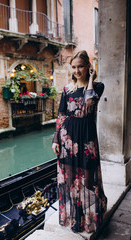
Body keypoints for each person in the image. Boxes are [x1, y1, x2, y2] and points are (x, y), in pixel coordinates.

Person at [52, 50, 107, 233]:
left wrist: (90, 78)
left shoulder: (97, 86)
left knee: (87, 181)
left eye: (80, 66)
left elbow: (89, 101)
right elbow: (61, 115)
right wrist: (56, 139)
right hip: (67, 138)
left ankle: (89, 219)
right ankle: (75, 218)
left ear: (88, 67)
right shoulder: (67, 89)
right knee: (70, 180)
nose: (77, 70)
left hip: (87, 138)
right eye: (74, 67)